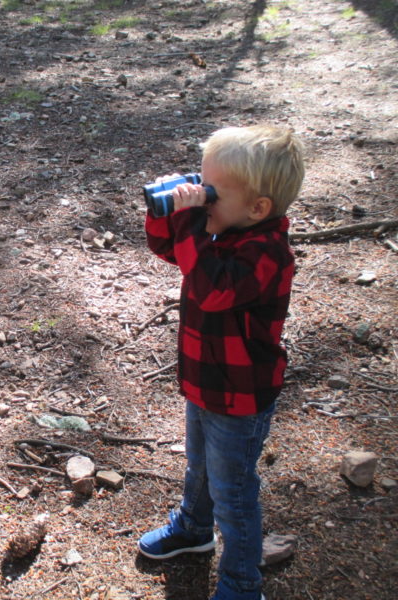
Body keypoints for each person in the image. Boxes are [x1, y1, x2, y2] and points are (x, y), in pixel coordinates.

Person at [138, 126, 305, 600]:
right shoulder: (227, 229)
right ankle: (193, 529)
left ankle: (241, 583)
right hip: (205, 383)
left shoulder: (268, 254)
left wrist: (192, 216)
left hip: (242, 396)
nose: (203, 199)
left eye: (211, 193)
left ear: (258, 208)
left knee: (233, 495)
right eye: (201, 186)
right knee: (199, 469)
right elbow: (168, 249)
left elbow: (211, 288)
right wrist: (169, 209)